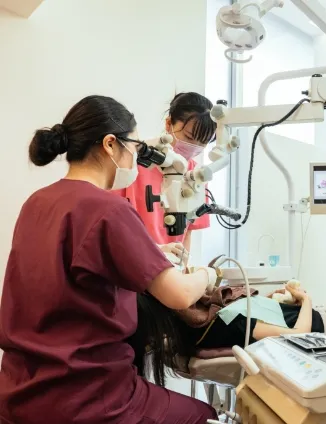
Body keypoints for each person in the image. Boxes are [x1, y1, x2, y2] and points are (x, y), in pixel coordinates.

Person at [0, 95, 218, 424]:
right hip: (84, 397)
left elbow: (69, 264)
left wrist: (152, 252)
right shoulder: (109, 209)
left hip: (20, 391)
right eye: (134, 147)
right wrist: (208, 275)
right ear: (111, 144)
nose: (136, 157)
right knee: (204, 415)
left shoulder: (37, 202)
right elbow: (181, 294)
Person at [130, 283, 325, 386]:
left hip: (296, 315)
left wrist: (272, 299)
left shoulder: (200, 325)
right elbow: (299, 334)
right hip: (317, 323)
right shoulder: (233, 321)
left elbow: (253, 316)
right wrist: (305, 299)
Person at [115, 92, 216, 265]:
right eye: (189, 138)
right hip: (132, 262)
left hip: (171, 267)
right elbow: (113, 225)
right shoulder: (134, 161)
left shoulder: (196, 175)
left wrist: (183, 269)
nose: (194, 147)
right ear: (169, 124)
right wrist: (154, 251)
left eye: (203, 142)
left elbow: (187, 233)